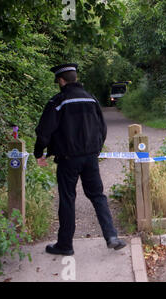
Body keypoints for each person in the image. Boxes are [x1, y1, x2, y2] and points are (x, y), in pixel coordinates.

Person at [34, 63, 126, 255]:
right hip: (90, 157)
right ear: (75, 78)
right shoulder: (91, 99)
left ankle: (65, 245)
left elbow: (44, 131)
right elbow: (102, 128)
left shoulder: (58, 101)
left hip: (68, 159)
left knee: (67, 199)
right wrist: (96, 150)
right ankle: (111, 236)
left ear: (61, 80)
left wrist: (38, 153)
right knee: (98, 196)